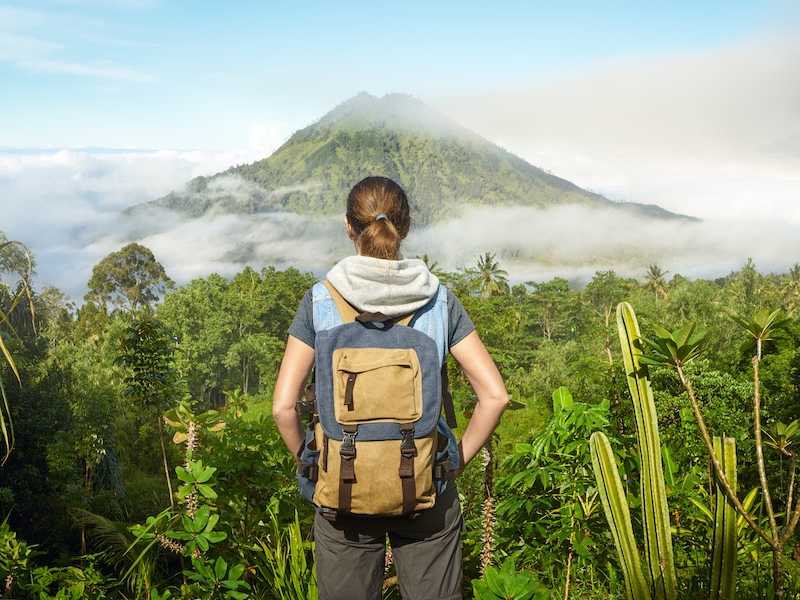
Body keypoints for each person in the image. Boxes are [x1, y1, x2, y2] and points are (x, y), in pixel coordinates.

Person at [273, 175, 509, 600]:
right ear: (408, 225)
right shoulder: (439, 300)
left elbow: (283, 408)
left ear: (349, 226)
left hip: (341, 491)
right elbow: (495, 396)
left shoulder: (321, 300)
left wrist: (314, 465)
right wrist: (452, 464)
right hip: (425, 487)